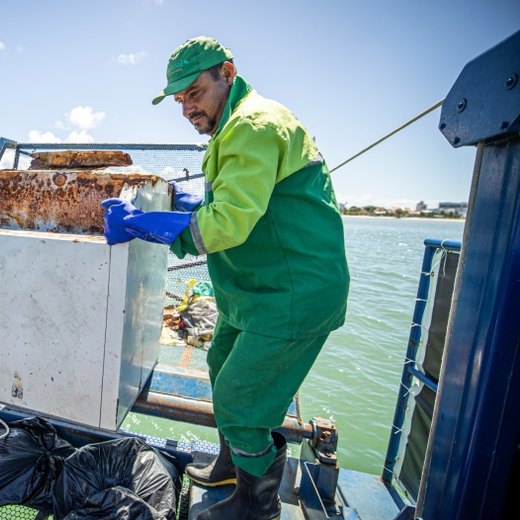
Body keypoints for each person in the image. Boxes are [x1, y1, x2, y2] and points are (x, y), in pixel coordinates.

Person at [101, 36, 349, 519]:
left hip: (292, 294)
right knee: (221, 363)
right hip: (254, 290)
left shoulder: (253, 125)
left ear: (227, 73)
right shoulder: (234, 126)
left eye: (194, 93)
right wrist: (177, 204)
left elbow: (229, 221)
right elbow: (230, 196)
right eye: (179, 100)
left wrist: (145, 225)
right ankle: (233, 465)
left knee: (240, 396)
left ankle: (256, 507)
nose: (187, 108)